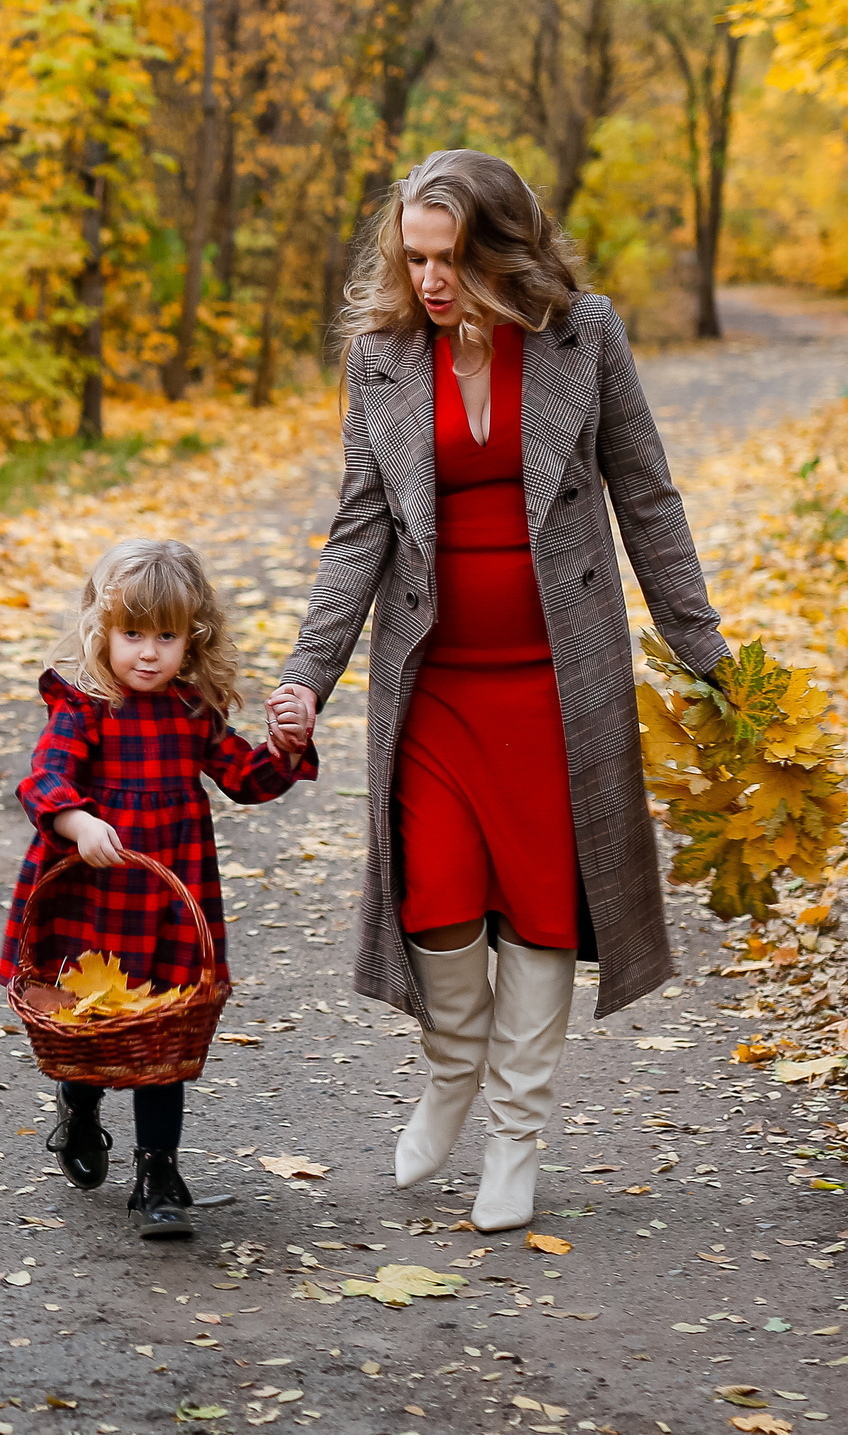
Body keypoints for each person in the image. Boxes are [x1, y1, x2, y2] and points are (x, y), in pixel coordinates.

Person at [263, 149, 729, 1233]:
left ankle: (514, 1134)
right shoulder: (381, 354)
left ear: (501, 249)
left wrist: (704, 653)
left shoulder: (585, 336)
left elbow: (646, 499)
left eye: (451, 257)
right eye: (415, 256)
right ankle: (449, 1068)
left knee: (539, 916)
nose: (429, 279)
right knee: (433, 902)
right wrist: (305, 677)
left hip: (556, 681)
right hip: (431, 684)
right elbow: (357, 532)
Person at [0, 537, 317, 1239]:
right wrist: (77, 820)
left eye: (166, 635)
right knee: (89, 1021)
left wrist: (285, 749)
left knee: (164, 1030)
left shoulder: (191, 710)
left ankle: (158, 1171)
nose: (149, 652)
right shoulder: (85, 705)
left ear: (191, 637)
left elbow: (244, 776)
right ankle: (79, 1108)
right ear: (101, 632)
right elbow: (45, 774)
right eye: (132, 633)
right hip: (96, 898)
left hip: (172, 899)